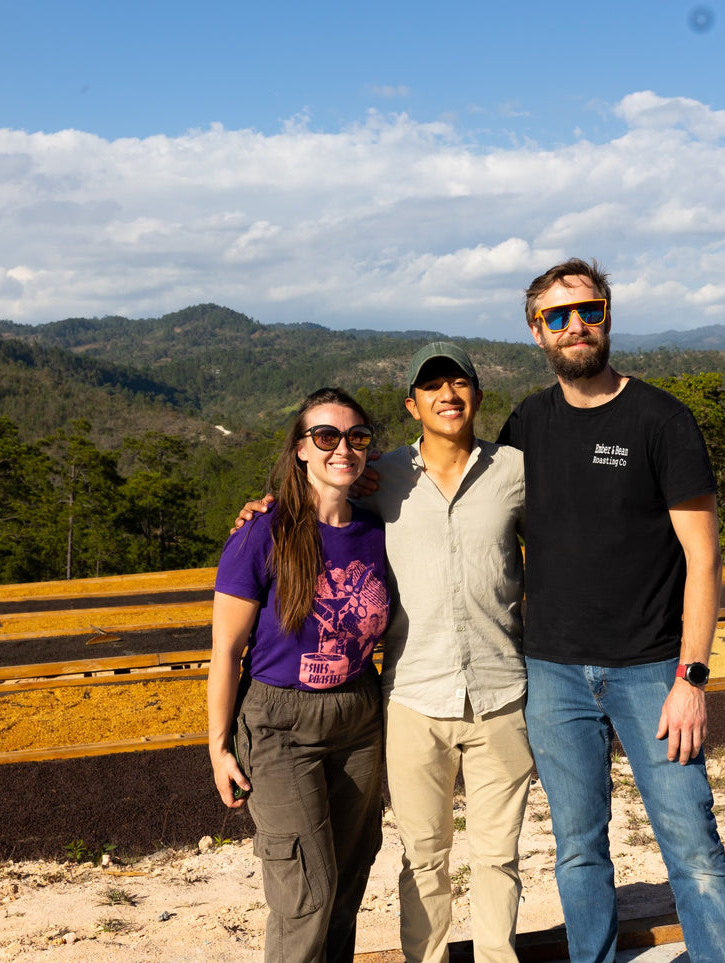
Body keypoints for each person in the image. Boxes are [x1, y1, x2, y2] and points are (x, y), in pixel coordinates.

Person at [234, 344, 531, 963]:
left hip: (502, 693)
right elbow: (315, 506)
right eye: (432, 387)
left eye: (459, 384)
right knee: (423, 856)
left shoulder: (515, 471)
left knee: (499, 855)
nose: (447, 396)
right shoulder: (382, 478)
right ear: (412, 404)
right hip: (411, 699)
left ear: (478, 394)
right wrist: (261, 508)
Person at [496, 258, 725, 963]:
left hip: (653, 671)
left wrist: (690, 677)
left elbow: (704, 559)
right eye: (558, 315)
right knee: (577, 849)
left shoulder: (660, 419)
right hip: (552, 672)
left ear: (607, 316)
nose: (576, 326)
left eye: (589, 310)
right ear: (535, 331)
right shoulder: (526, 424)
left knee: (691, 846)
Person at [209, 387, 388, 963]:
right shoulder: (261, 533)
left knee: (347, 878)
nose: (343, 448)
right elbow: (226, 651)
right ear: (300, 450)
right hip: (281, 722)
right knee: (305, 893)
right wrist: (218, 747)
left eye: (356, 437)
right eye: (326, 436)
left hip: (359, 715)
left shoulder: (378, 530)